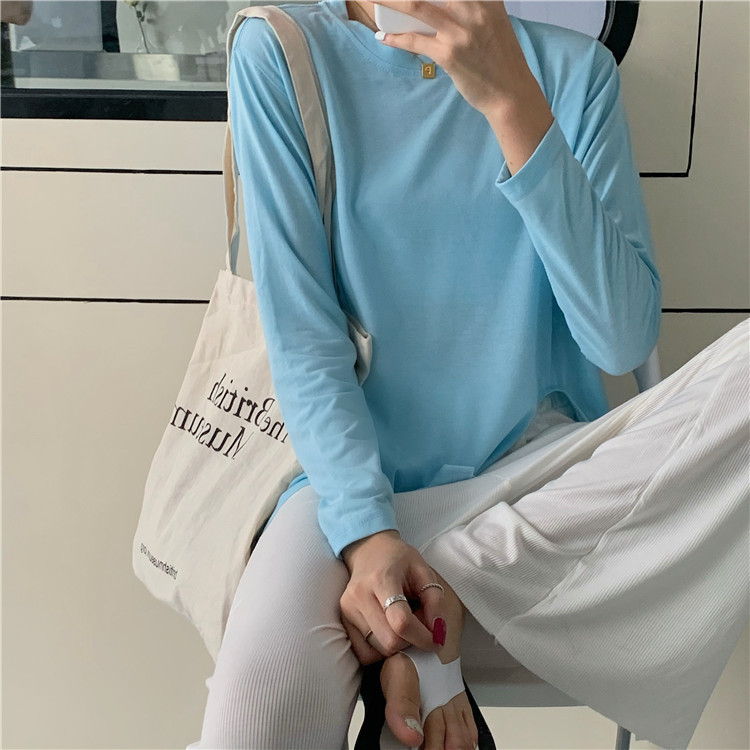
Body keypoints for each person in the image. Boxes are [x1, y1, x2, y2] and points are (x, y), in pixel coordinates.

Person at [187, 1, 749, 748]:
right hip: (346, 492)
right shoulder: (282, 52)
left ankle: (421, 609)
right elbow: (305, 338)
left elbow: (619, 341)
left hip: (535, 489)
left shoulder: (574, 73)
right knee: (251, 732)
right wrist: (368, 537)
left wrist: (513, 102)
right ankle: (420, 606)